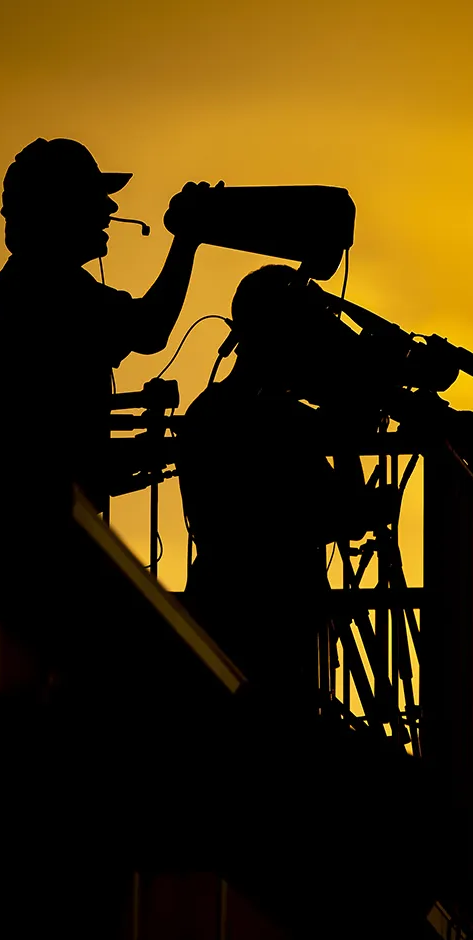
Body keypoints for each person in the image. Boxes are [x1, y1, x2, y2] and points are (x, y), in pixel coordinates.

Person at [0, 137, 212, 510]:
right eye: (94, 197)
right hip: (41, 519)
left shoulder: (29, 281)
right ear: (61, 210)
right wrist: (187, 239)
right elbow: (150, 329)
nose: (110, 207)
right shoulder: (51, 287)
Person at [177, 265, 384, 699]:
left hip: (215, 608)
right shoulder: (282, 419)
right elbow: (344, 517)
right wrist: (347, 432)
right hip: (281, 628)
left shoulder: (206, 410)